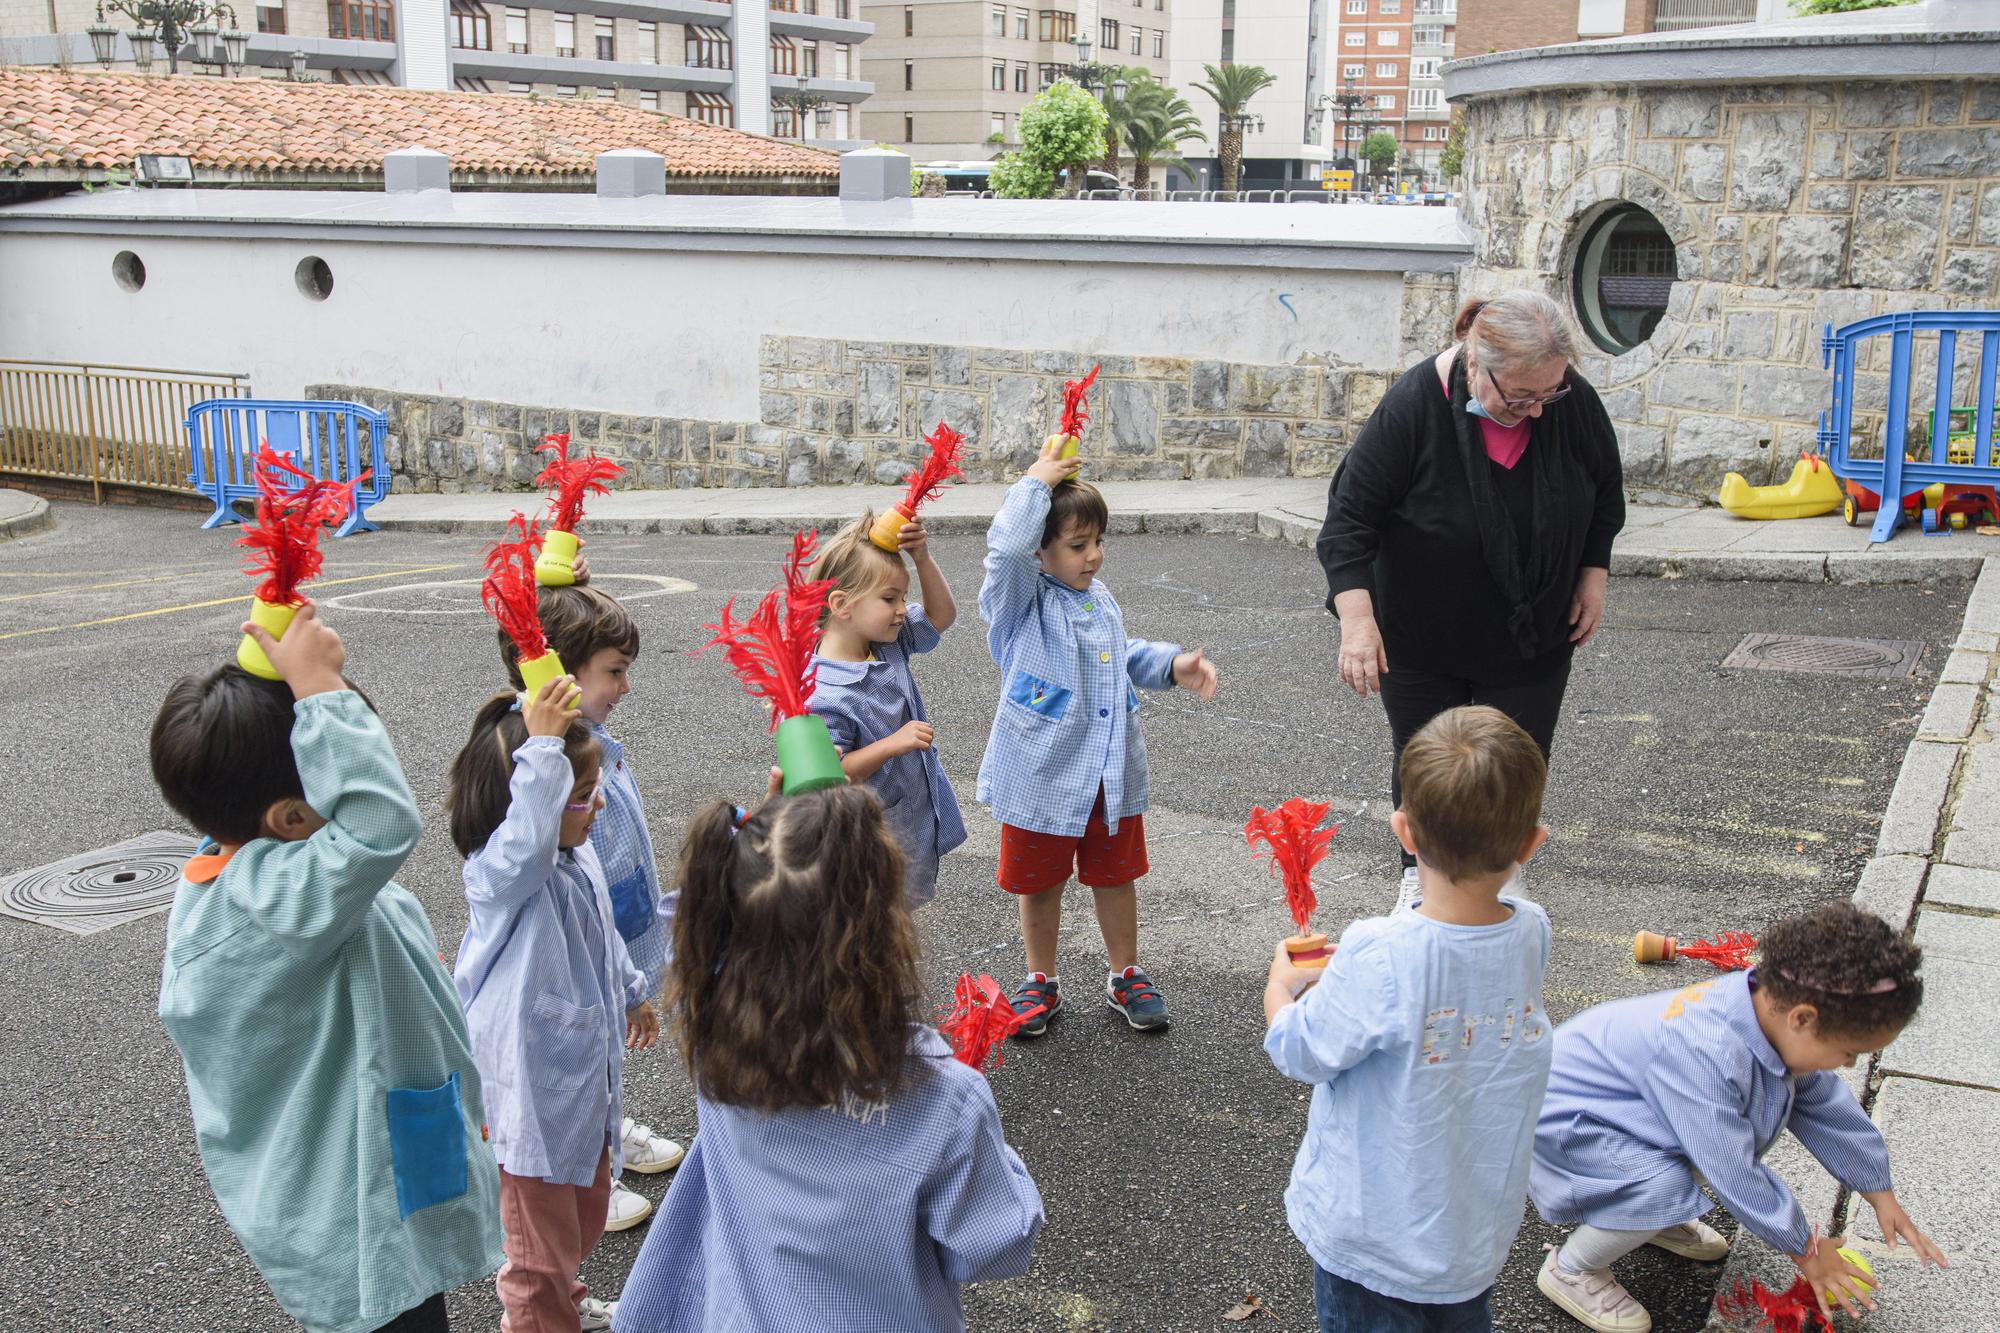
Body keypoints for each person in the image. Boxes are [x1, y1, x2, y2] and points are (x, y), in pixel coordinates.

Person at [153, 603, 503, 1333]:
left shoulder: (275, 877)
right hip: (348, 1203)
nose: (350, 794)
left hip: (382, 1152)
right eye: (334, 780)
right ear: (289, 818)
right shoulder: (270, 903)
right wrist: (314, 685)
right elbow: (383, 822)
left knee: (415, 1294)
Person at [610, 784, 1045, 1333]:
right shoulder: (944, 1101)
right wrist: (999, 1158)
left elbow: (688, 919)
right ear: (883, 938)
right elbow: (993, 1247)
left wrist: (771, 845)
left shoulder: (713, 1021)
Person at [1317, 290, 1625, 911]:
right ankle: (1420, 877)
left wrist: (1593, 572)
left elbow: (1604, 489)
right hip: (1422, 634)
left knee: (1512, 765)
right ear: (1473, 364)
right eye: (1520, 397)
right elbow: (1348, 523)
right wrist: (1357, 622)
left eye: (1549, 394)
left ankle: (1497, 875)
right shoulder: (1412, 407)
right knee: (1429, 762)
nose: (1537, 411)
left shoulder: (1567, 401)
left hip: (1532, 632)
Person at [1264, 705, 1555, 1333]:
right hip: (1468, 1239)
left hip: (1375, 1245)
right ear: (1531, 843)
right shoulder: (1532, 931)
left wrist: (1282, 989)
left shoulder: (1379, 952)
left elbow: (1304, 1052)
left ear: (1404, 831)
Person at [1531, 901, 1947, 1333]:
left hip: (1622, 1112)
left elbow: (1826, 1109)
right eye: (1849, 1052)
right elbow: (1731, 1165)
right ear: (1803, 1018)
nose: (1846, 1065)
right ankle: (1573, 1268)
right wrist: (1807, 1249)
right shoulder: (1704, 1051)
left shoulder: (1770, 1018)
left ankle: (1648, 1215)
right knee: (1668, 1181)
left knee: (1694, 1154)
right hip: (1564, 1122)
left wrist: (1878, 1190)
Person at [978, 439, 1219, 1035]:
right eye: (1077, 546)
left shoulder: (1097, 599)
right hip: (1044, 772)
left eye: (1099, 543)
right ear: (1040, 553)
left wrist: (1170, 665)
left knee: (1116, 875)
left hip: (1109, 770)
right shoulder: (1019, 603)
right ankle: (1040, 980)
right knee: (1039, 882)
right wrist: (1035, 480)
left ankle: (1124, 973)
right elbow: (1005, 547)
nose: (1094, 557)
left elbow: (1119, 657)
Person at [447, 678, 659, 1333]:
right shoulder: (502, 876)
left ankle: (561, 1299)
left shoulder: (575, 851)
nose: (597, 804)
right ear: (528, 799)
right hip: (529, 1100)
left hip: (575, 1083)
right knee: (536, 1249)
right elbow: (526, 842)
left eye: (594, 786)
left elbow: (601, 927)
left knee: (580, 1208)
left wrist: (631, 989)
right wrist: (541, 748)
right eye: (577, 793)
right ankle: (538, 1317)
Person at [498, 577, 683, 1254]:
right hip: (569, 954)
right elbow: (515, 860)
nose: (624, 687)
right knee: (573, 1062)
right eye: (614, 672)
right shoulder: (528, 766)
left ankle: (606, 1136)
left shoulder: (595, 738)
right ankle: (584, 1168)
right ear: (558, 676)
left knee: (609, 1047)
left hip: (614, 929)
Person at [806, 510, 966, 908]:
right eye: (889, 598)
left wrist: (922, 558)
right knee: (868, 928)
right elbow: (828, 773)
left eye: (903, 597)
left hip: (905, 822)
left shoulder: (884, 641)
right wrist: (893, 743)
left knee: (895, 922)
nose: (902, 609)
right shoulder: (822, 692)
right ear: (843, 604)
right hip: (866, 844)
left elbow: (941, 616)